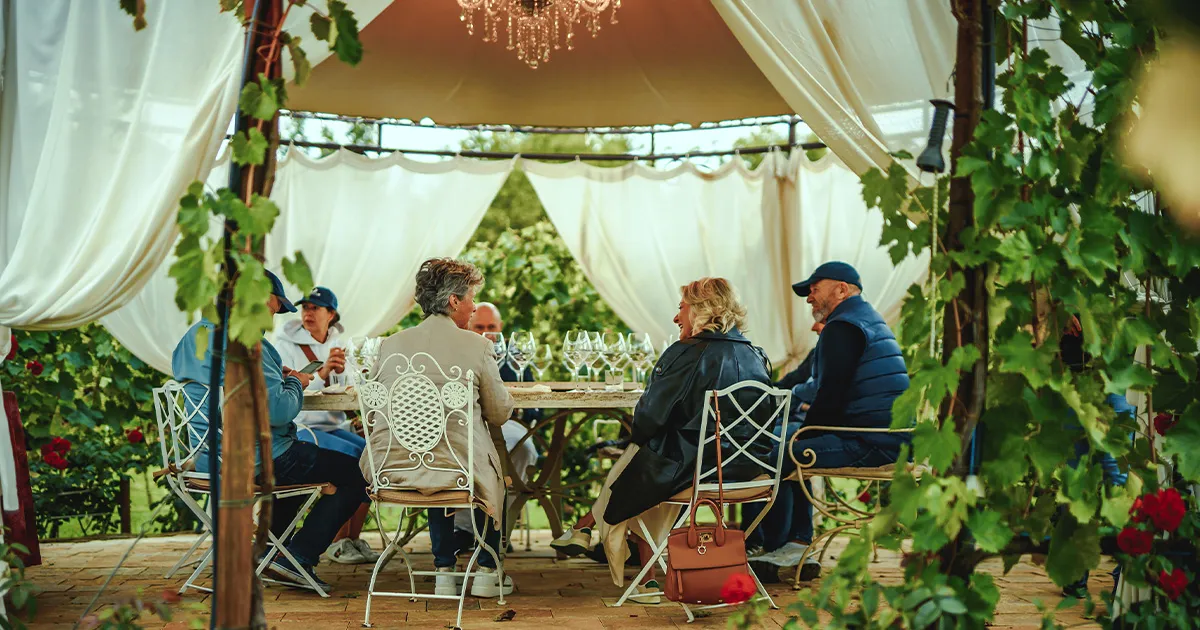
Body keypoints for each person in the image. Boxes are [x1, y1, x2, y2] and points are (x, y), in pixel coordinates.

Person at [550, 277, 774, 603]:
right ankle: (632, 568)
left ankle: (597, 534)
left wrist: (638, 438)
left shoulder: (686, 353)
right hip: (748, 471)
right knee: (648, 460)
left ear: (701, 309)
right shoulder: (756, 356)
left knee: (643, 458)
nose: (675, 317)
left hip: (696, 472)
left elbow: (647, 421)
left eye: (681, 308)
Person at [172, 270, 367, 592]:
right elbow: (279, 412)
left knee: (303, 465)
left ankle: (270, 552)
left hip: (206, 455)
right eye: (274, 309)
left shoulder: (196, 336)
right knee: (357, 472)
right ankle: (298, 556)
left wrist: (277, 376)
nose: (272, 319)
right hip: (252, 456)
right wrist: (295, 381)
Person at [359, 258, 516, 598]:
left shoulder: (389, 346)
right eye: (472, 297)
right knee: (476, 458)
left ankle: (444, 570)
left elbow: (374, 414)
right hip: (460, 473)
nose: (474, 308)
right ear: (454, 301)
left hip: (391, 469)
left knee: (431, 455)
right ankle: (488, 571)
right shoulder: (477, 346)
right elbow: (500, 414)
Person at [749, 261, 911, 583]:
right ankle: (793, 543)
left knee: (777, 452)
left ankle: (783, 546)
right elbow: (822, 389)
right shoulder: (863, 321)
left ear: (842, 289)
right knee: (782, 440)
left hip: (871, 442)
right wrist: (796, 423)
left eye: (815, 289)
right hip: (887, 437)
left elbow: (830, 394)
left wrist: (805, 436)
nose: (809, 298)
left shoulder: (844, 326)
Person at [274, 286, 379, 565]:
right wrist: (321, 374)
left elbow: (350, 389)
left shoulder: (340, 345)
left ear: (330, 314)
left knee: (373, 457)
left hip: (334, 425)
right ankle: (336, 542)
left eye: (314, 308)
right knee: (356, 462)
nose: (307, 313)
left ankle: (351, 538)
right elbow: (287, 392)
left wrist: (345, 376)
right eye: (305, 307)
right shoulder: (283, 346)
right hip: (303, 425)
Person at [453, 302, 541, 553]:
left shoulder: (514, 357)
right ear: (468, 325)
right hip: (465, 423)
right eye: (479, 326)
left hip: (509, 423)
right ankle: (463, 529)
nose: (485, 333)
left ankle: (502, 525)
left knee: (524, 449)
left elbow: (535, 405)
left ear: (500, 328)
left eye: (491, 327)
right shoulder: (457, 350)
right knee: (462, 448)